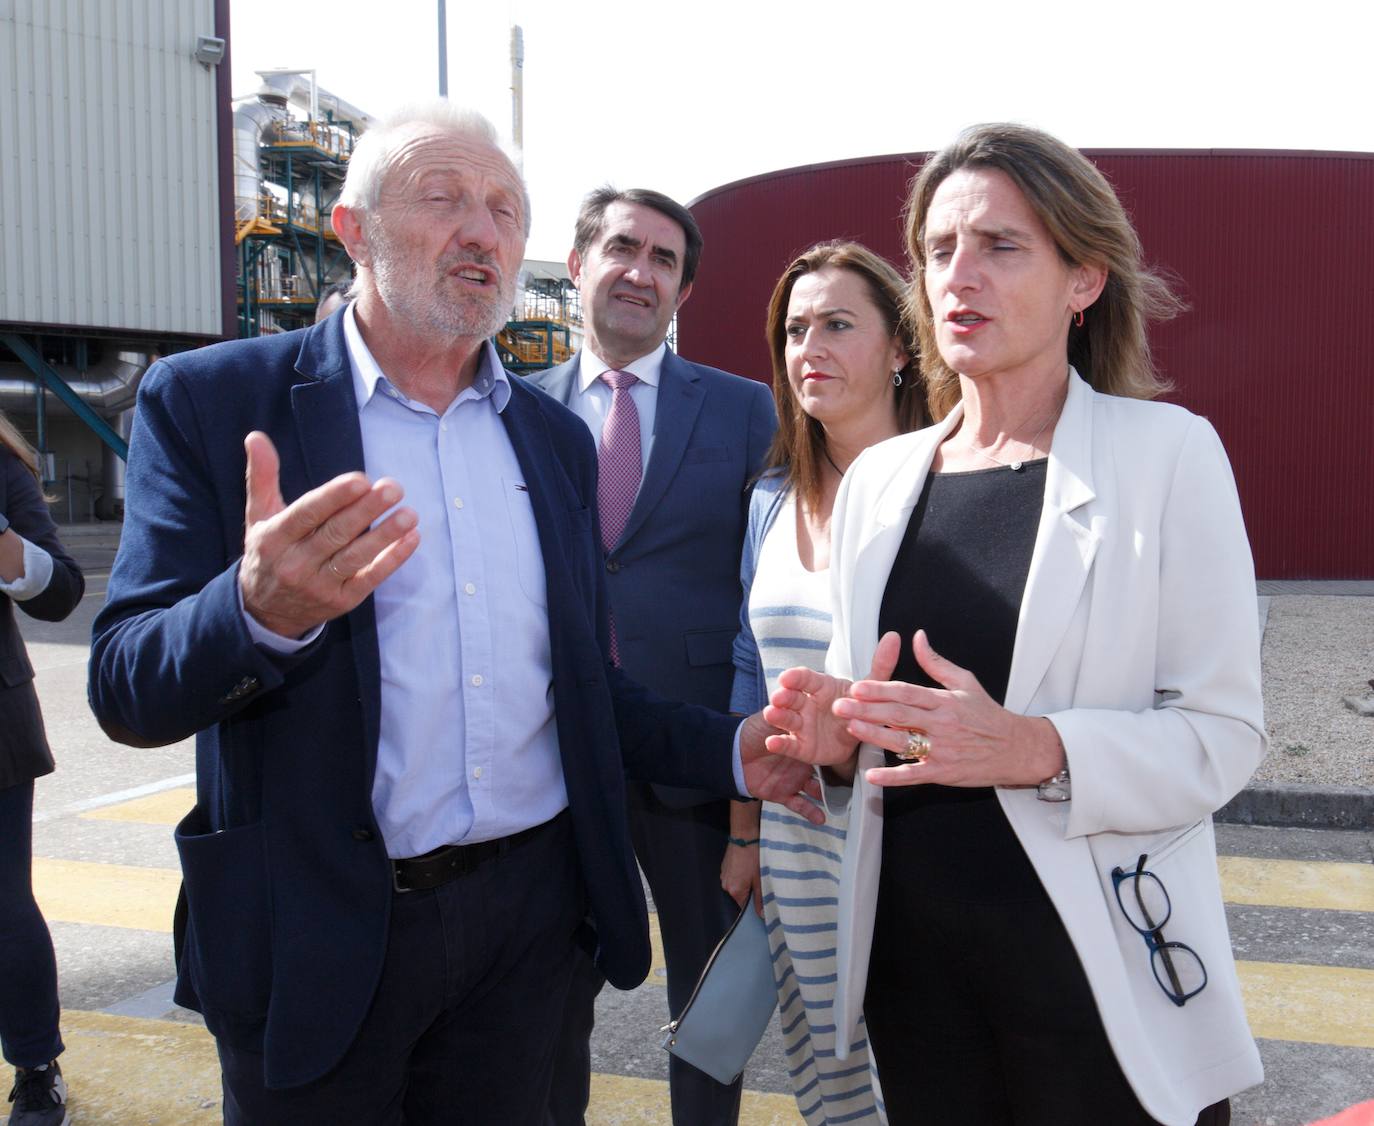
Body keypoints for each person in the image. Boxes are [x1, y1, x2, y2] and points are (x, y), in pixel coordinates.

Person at [86, 100, 820, 1125]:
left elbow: (581, 690)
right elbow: (124, 682)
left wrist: (737, 749)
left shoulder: (547, 441)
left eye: (505, 211)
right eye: (444, 198)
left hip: (529, 941)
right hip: (318, 932)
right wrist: (253, 610)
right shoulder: (215, 403)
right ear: (353, 228)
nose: (482, 231)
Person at [764, 124, 1265, 1126]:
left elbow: (1223, 737)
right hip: (917, 991)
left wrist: (1038, 747)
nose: (961, 275)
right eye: (940, 249)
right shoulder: (879, 482)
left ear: (1084, 278)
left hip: (1099, 985)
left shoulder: (1167, 456)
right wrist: (833, 743)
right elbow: (881, 733)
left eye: (1001, 246)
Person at [529, 187, 776, 1126]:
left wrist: (749, 819)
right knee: (547, 998)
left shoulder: (747, 410)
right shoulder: (514, 408)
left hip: (697, 759)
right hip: (552, 752)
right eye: (622, 248)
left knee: (708, 1004)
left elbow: (769, 582)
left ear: (682, 291)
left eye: (664, 260)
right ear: (580, 262)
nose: (641, 271)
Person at [729, 241, 925, 1125]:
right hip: (794, 839)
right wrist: (744, 833)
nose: (811, 345)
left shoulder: (943, 487)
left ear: (900, 347)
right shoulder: (772, 495)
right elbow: (749, 668)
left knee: (922, 1072)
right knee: (831, 1083)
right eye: (796, 328)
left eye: (839, 324)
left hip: (910, 835)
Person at [0, 412, 84, 1126]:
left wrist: (1, 543)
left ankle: (35, 1065)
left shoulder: (3, 467)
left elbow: (62, 592)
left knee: (2, 907)